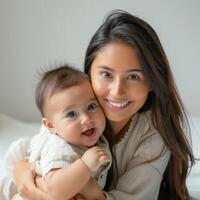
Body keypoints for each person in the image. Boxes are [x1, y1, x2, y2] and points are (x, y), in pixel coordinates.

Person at [5, 10, 196, 200]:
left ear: (152, 82)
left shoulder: (153, 132)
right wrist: (23, 172)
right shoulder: (69, 111)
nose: (117, 91)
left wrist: (90, 192)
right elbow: (22, 157)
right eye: (106, 74)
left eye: (133, 77)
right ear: (89, 72)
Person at [3, 65, 112, 200]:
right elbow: (55, 190)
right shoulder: (60, 148)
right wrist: (85, 165)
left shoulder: (96, 140)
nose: (86, 119)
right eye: (72, 114)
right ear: (51, 126)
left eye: (91, 106)